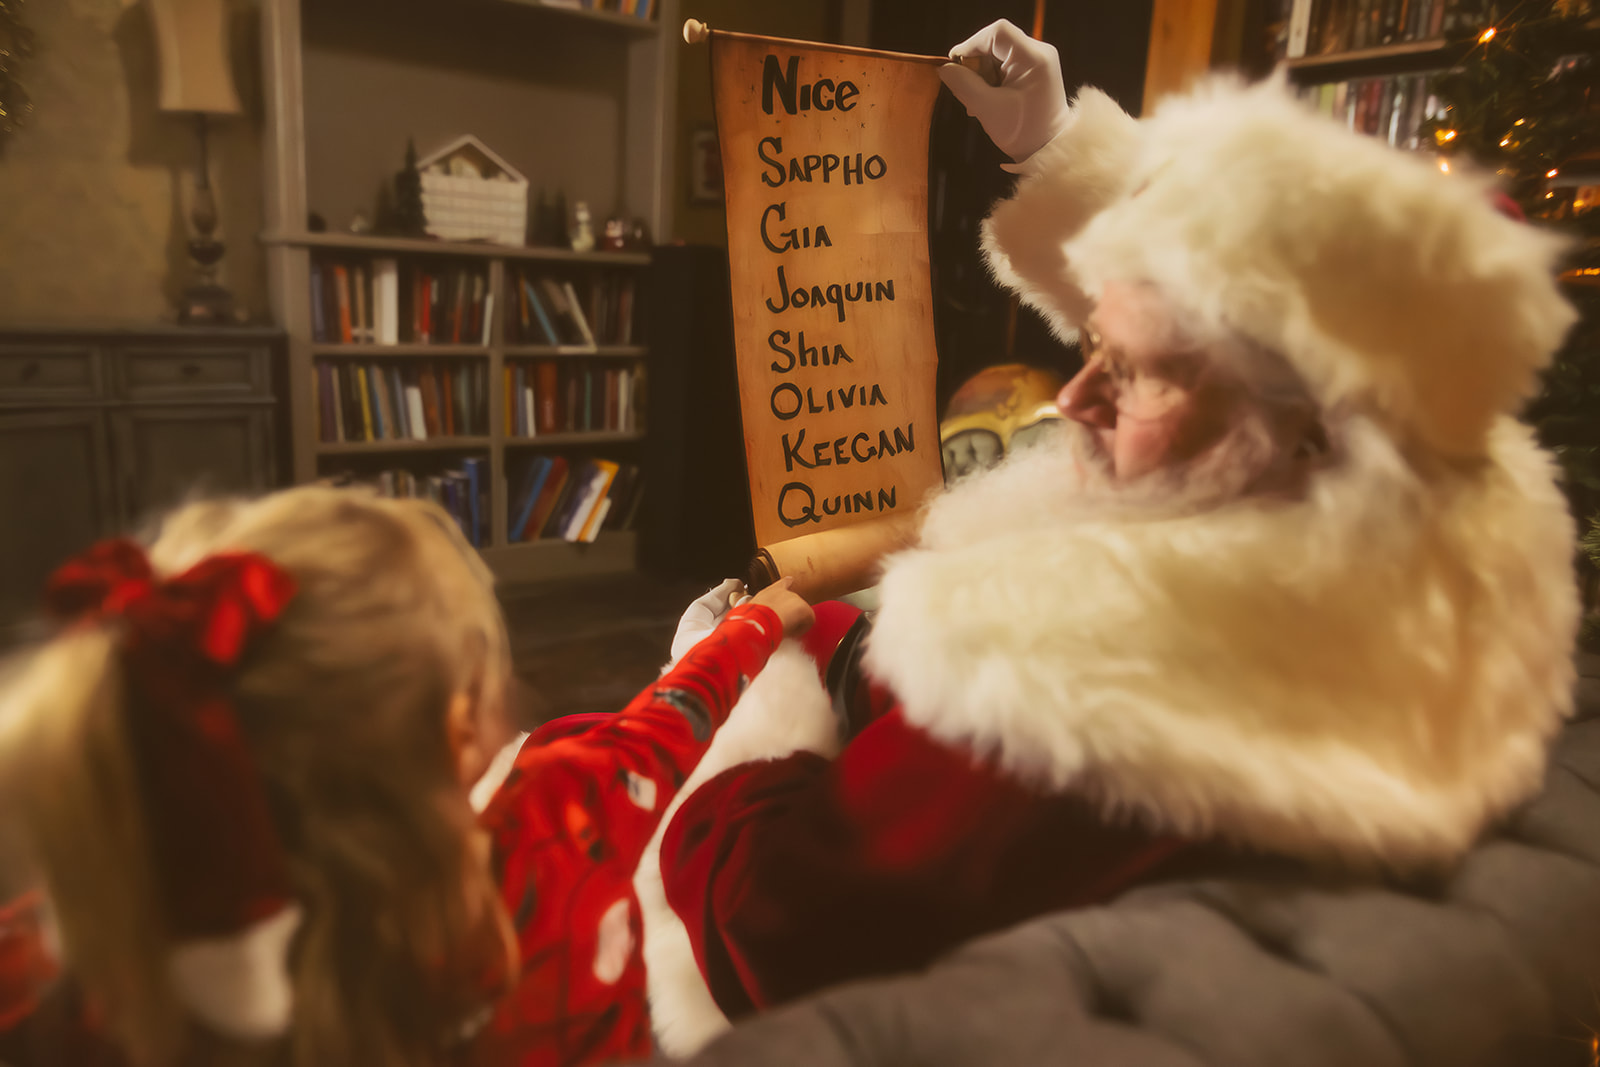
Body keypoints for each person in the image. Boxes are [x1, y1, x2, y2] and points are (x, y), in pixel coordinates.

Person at [639, 19, 1581, 1057]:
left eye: (1127, 368)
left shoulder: (1084, 685)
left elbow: (769, 922)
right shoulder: (1435, 508)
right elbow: (1240, 278)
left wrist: (736, 707)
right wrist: (1055, 147)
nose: (1071, 399)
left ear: (1310, 429)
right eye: (1088, 343)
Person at [0, 485, 813, 1067]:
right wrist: (760, 618)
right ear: (460, 732)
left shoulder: (95, 945)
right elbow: (668, 719)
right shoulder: (559, 823)